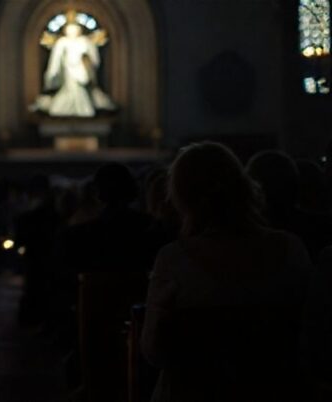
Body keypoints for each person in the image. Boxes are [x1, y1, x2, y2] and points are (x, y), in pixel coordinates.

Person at [141, 142, 314, 401]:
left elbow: (153, 350)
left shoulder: (174, 259)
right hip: (275, 389)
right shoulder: (292, 249)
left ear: (181, 196)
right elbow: (310, 336)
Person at [34, 22, 115, 117]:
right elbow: (55, 59)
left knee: (80, 90)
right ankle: (62, 109)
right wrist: (52, 73)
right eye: (70, 29)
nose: (72, 32)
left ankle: (84, 110)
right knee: (70, 89)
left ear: (79, 30)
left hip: (81, 70)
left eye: (75, 29)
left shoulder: (85, 41)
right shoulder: (62, 42)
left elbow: (94, 59)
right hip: (68, 70)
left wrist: (88, 65)